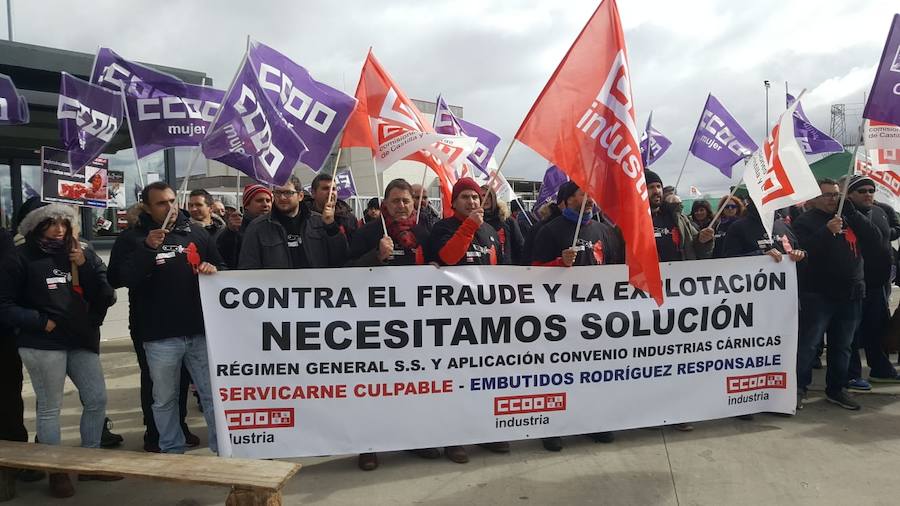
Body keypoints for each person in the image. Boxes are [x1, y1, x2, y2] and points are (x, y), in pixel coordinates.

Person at [0, 203, 121, 498]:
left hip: (81, 339)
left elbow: (107, 295)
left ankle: (90, 463)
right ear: (35, 226)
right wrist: (41, 322)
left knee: (96, 399)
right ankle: (56, 470)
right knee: (50, 407)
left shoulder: (82, 252)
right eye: (50, 223)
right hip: (43, 343)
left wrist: (86, 266)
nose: (59, 228)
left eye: (63, 222)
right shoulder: (21, 257)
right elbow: (4, 305)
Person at [107, 181, 222, 453]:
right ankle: (171, 449)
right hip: (158, 335)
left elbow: (222, 266)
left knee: (211, 395)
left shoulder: (196, 233)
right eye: (161, 203)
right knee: (164, 398)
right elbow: (118, 279)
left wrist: (212, 267)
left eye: (172, 200)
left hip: (198, 330)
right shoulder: (131, 238)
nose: (170, 207)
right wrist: (147, 249)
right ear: (146, 207)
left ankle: (223, 447)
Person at [345, 178, 442, 470]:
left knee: (414, 387)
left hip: (414, 325)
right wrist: (376, 255)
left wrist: (435, 270)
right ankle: (369, 446)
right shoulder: (368, 233)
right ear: (385, 203)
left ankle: (414, 440)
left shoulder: (424, 233)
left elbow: (439, 268)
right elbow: (343, 272)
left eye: (406, 201)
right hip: (375, 324)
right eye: (396, 201)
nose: (401, 206)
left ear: (415, 204)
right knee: (373, 387)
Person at [530, 181, 623, 451]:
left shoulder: (603, 230)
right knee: (558, 374)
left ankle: (593, 423)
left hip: (595, 319)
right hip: (560, 318)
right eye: (583, 193)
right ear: (567, 200)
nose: (590, 198)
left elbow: (614, 268)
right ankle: (552, 428)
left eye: (592, 193)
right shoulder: (550, 231)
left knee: (594, 372)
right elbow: (533, 272)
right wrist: (559, 263)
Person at [428, 178, 509, 463]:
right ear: (453, 202)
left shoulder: (490, 230)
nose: (472, 202)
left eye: (475, 197)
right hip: (453, 321)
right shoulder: (442, 228)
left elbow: (499, 268)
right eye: (465, 197)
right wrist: (470, 225)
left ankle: (485, 432)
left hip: (485, 319)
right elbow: (448, 257)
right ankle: (454, 438)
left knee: (485, 379)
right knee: (455, 382)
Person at [793, 179, 882, 411]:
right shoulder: (805, 221)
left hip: (852, 293)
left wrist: (852, 211)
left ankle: (837, 389)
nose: (833, 199)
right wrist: (826, 231)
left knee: (843, 345)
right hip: (818, 293)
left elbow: (875, 239)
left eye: (836, 194)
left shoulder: (851, 215)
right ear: (814, 199)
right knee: (809, 345)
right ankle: (798, 388)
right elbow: (801, 251)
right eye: (828, 195)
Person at [646, 170, 713, 430]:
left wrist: (703, 241)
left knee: (675, 357)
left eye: (659, 186)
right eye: (651, 186)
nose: (656, 191)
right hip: (643, 299)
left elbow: (696, 250)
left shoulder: (677, 218)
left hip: (678, 299)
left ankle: (676, 411)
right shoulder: (631, 219)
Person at [843, 176, 900, 387]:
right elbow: (870, 236)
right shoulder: (843, 215)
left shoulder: (880, 211)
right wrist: (850, 212)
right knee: (852, 334)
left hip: (878, 284)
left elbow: (886, 239)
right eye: (862, 191)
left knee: (877, 329)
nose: (868, 194)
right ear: (849, 195)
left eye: (871, 190)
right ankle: (851, 375)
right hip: (854, 285)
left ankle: (881, 369)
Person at [239, 175, 349, 269]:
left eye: (288, 193)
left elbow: (341, 258)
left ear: (300, 196)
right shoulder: (258, 227)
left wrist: (331, 227)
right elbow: (248, 267)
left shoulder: (319, 223)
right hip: (276, 291)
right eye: (278, 193)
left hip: (316, 290)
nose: (282, 197)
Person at [216, 184, 272, 269]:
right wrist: (230, 232)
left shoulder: (277, 227)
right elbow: (224, 259)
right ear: (247, 205)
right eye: (259, 200)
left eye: (268, 201)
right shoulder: (236, 228)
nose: (265, 204)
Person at [481, 186, 526, 265]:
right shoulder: (475, 222)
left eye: (489, 196)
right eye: (483, 195)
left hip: (506, 270)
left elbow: (520, 247)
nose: (486, 199)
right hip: (483, 270)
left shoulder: (507, 221)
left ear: (494, 198)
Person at [307, 173, 358, 241]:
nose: (331, 192)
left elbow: (353, 247)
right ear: (313, 193)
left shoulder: (348, 218)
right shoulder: (304, 217)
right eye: (325, 189)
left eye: (333, 189)